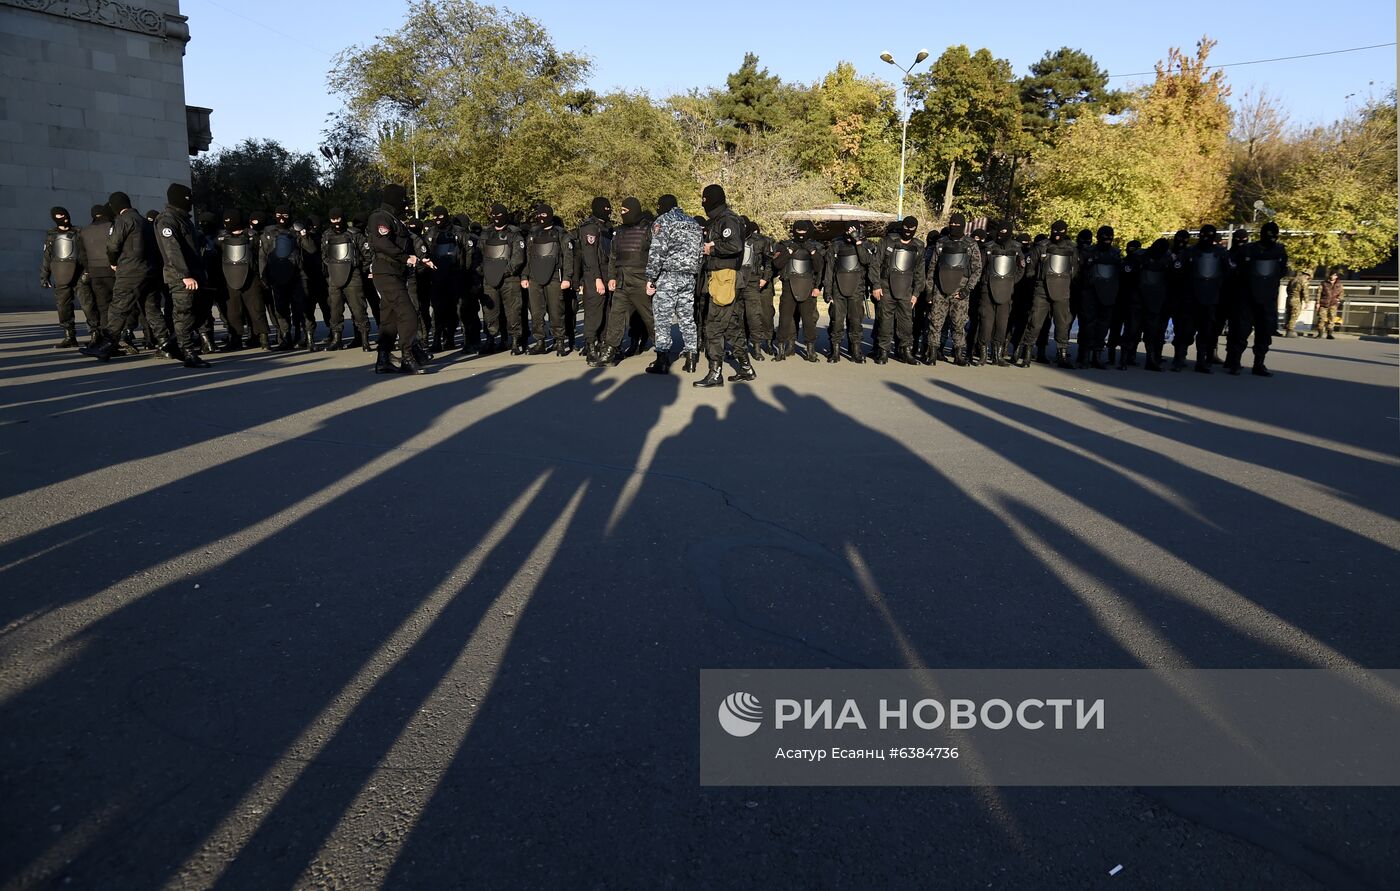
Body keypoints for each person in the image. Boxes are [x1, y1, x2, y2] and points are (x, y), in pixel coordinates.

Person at [82, 191, 172, 362]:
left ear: (115, 206)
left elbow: (113, 245)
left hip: (130, 271)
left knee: (118, 308)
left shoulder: (123, 220)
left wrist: (113, 262)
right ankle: (164, 344)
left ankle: (107, 344)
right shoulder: (146, 222)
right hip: (149, 271)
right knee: (151, 308)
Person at [368, 184, 433, 374]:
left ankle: (383, 359)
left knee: (389, 319)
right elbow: (382, 243)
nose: (405, 205)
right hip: (386, 272)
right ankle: (407, 356)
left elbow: (407, 242)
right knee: (408, 314)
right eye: (402, 200)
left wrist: (421, 258)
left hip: (396, 273)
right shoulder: (380, 217)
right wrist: (405, 258)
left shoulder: (395, 219)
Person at [694, 184, 751, 387]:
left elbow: (734, 245)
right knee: (732, 326)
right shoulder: (719, 219)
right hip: (720, 276)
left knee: (713, 327)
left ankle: (715, 373)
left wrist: (711, 249)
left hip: (724, 276)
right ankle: (746, 368)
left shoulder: (727, 219)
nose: (703, 204)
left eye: (705, 200)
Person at [152, 182, 210, 368]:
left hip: (196, 274)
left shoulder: (184, 219)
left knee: (201, 312)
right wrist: (185, 275)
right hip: (181, 277)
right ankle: (188, 353)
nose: (190, 201)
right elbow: (172, 250)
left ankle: (172, 343)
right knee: (184, 314)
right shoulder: (167, 220)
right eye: (187, 198)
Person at [644, 195, 704, 375]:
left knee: (663, 318)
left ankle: (662, 360)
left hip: (668, 276)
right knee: (687, 318)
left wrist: (650, 278)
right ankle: (691, 358)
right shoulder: (693, 223)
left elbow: (657, 252)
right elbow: (700, 253)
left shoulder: (663, 221)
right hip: (689, 277)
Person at [593, 197, 652, 367]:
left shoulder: (648, 230)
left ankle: (662, 350)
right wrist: (612, 276)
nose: (622, 213)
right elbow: (613, 256)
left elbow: (655, 256)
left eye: (625, 210)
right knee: (616, 316)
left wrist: (652, 280)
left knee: (650, 317)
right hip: (621, 280)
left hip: (641, 280)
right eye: (621, 210)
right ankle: (609, 351)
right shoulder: (619, 232)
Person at [1226, 220, 1288, 376]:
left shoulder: (1279, 251)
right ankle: (1235, 361)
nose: (1270, 239)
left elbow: (1281, 271)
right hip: (1248, 297)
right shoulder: (1248, 250)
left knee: (1264, 332)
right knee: (1241, 331)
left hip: (1267, 298)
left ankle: (1258, 363)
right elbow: (1236, 270)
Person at [1015, 220, 1077, 369]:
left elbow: (1074, 269)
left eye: (1060, 231)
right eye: (1055, 231)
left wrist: (1065, 282)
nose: (1057, 234)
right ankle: (1027, 354)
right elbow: (1031, 269)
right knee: (1035, 322)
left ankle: (1062, 355)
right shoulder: (1042, 246)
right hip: (1042, 289)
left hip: (1062, 288)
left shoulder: (1071, 248)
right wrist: (1037, 282)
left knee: (1062, 323)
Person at [925, 212, 983, 366]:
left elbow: (977, 269)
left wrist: (967, 289)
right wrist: (929, 291)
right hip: (940, 289)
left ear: (963, 226)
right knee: (935, 322)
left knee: (959, 324)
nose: (954, 227)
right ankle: (932, 353)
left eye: (957, 225)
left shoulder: (970, 245)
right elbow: (932, 269)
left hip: (960, 291)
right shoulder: (941, 243)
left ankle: (958, 354)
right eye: (952, 224)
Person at [520, 203, 574, 356]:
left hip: (555, 276)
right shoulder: (533, 233)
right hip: (534, 277)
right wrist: (524, 276)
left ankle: (559, 341)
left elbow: (568, 257)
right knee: (536, 312)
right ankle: (540, 342)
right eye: (539, 215)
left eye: (544, 215)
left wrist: (567, 278)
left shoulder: (561, 234)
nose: (541, 217)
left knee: (556, 311)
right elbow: (527, 257)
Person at [872, 216, 925, 364]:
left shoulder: (918, 246)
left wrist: (916, 293)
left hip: (907, 289)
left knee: (906, 322)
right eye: (906, 228)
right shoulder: (887, 241)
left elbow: (920, 272)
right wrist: (876, 285)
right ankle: (883, 351)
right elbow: (875, 264)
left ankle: (906, 351)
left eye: (912, 229)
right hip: (886, 287)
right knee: (885, 322)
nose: (908, 231)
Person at [771, 219, 825, 362]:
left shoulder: (815, 246)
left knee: (808, 320)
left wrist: (812, 252)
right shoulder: (784, 245)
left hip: (807, 285)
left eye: (803, 231)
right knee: (785, 319)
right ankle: (781, 349)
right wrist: (789, 251)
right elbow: (777, 264)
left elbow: (819, 267)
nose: (801, 234)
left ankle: (810, 351)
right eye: (798, 231)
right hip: (788, 285)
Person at [259, 205, 312, 351]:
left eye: (285, 215)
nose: (281, 218)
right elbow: (263, 255)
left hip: (297, 276)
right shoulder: (269, 233)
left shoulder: (296, 231)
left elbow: (309, 249)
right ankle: (285, 338)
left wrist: (304, 235)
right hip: (277, 275)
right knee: (281, 309)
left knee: (301, 308)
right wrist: (263, 275)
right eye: (278, 215)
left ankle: (305, 337)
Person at [1178, 225, 1229, 373]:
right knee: (1186, 330)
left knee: (1205, 331)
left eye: (1209, 236)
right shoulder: (1190, 252)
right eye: (1204, 235)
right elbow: (1178, 270)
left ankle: (1201, 361)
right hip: (1191, 297)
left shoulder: (1220, 253)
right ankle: (1180, 358)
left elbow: (1229, 271)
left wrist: (1218, 285)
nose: (1206, 238)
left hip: (1210, 297)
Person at [219, 210, 270, 350]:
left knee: (256, 309)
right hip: (230, 276)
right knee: (233, 311)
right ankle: (235, 339)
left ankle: (263, 338)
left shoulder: (252, 236)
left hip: (251, 275)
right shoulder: (223, 237)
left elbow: (261, 256)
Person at [823, 222, 874, 364]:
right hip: (837, 288)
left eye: (852, 230)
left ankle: (856, 351)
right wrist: (827, 292)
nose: (849, 233)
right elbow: (829, 270)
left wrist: (858, 242)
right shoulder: (836, 245)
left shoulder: (864, 245)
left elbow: (866, 260)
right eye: (847, 231)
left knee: (856, 321)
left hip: (857, 288)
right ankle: (835, 351)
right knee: (836, 321)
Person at [974, 221, 1023, 366]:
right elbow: (979, 268)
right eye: (1000, 231)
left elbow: (1021, 268)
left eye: (1005, 232)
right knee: (986, 323)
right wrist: (984, 282)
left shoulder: (1016, 249)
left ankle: (997, 355)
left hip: (1006, 290)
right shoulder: (989, 247)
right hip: (987, 290)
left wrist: (1011, 281)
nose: (1001, 235)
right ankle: (983, 355)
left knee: (1002, 323)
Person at [322, 207, 371, 350]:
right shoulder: (327, 235)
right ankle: (336, 339)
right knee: (335, 309)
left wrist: (360, 269)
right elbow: (324, 255)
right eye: (333, 219)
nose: (336, 222)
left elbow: (367, 254)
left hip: (353, 275)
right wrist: (333, 268)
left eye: (338, 219)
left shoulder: (354, 234)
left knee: (358, 309)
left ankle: (364, 340)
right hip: (334, 275)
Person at [1120, 238, 1172, 371]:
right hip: (1137, 299)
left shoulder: (1167, 258)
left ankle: (1151, 360)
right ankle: (1124, 359)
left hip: (1155, 299)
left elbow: (1172, 279)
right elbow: (1127, 275)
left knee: (1152, 332)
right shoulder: (1139, 256)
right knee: (1131, 330)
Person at [480, 203, 525, 355]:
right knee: (490, 312)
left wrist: (504, 272)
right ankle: (490, 339)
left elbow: (518, 258)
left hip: (509, 279)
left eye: (499, 215)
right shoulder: (486, 233)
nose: (496, 218)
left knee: (513, 311)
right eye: (493, 215)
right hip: (489, 278)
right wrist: (484, 271)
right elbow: (479, 255)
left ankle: (515, 341)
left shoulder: (514, 233)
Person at [40, 206, 88, 348]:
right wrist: (44, 276)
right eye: (59, 216)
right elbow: (47, 256)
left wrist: (88, 272)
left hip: (79, 273)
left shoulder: (79, 232)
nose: (64, 218)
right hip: (61, 274)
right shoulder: (51, 235)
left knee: (88, 305)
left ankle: (95, 334)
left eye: (64, 214)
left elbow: (86, 254)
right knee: (63, 306)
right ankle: (69, 335)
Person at [1075, 225, 1121, 369]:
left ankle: (1097, 355)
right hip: (1090, 293)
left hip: (1108, 294)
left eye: (1110, 237)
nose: (1107, 239)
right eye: (1104, 237)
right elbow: (1078, 272)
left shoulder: (1115, 253)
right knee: (1087, 325)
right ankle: (1084, 356)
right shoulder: (1088, 252)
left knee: (1103, 327)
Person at [575, 197, 613, 362]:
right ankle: (590, 346)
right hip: (594, 274)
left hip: (607, 272)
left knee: (607, 311)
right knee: (594, 312)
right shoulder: (589, 227)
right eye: (605, 208)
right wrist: (597, 278)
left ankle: (604, 343)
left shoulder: (607, 227)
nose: (608, 211)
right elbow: (590, 256)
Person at [424, 206, 467, 352]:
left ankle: (453, 339)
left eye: (441, 217)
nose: (438, 220)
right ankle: (437, 339)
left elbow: (468, 254)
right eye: (435, 217)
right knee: (437, 310)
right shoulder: (431, 233)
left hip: (455, 276)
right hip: (437, 277)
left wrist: (465, 273)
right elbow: (425, 254)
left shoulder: (458, 232)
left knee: (456, 310)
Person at [76, 205, 116, 346]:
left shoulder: (85, 231)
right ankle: (118, 336)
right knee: (117, 305)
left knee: (102, 306)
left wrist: (88, 269)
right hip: (112, 271)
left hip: (95, 273)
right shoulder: (112, 227)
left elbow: (82, 254)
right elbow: (115, 247)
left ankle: (105, 337)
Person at [738, 218, 776, 361]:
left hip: (753, 281)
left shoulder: (761, 241)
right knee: (737, 317)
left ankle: (757, 348)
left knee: (754, 316)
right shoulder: (734, 239)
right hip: (736, 280)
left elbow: (769, 261)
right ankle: (739, 348)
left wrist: (765, 278)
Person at [1314, 270, 1343, 339]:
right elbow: (1318, 293)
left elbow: (1341, 293)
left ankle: (1329, 334)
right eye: (1333, 275)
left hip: (1333, 304)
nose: (1333, 277)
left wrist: (1339, 299)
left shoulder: (1339, 285)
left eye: (1335, 275)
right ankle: (1320, 333)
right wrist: (1317, 303)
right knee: (1321, 318)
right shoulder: (1324, 283)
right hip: (1324, 303)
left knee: (1332, 319)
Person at [1282, 267, 1310, 337]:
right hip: (1297, 300)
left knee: (1289, 315)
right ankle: (1290, 331)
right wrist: (1307, 302)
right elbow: (1305, 292)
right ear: (1308, 275)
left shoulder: (1293, 279)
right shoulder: (1304, 281)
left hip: (1289, 298)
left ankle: (1287, 330)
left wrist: (1290, 295)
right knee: (1294, 315)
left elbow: (1287, 289)